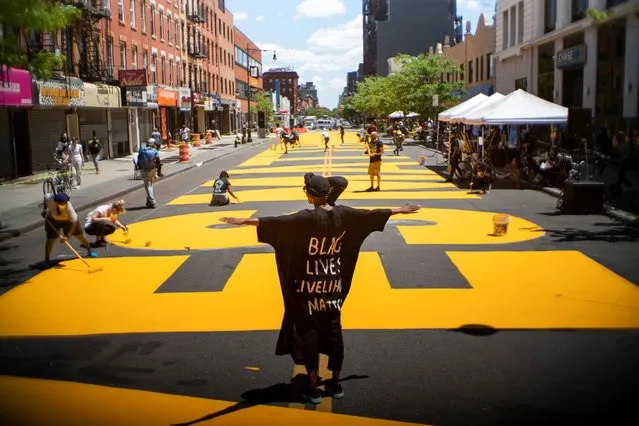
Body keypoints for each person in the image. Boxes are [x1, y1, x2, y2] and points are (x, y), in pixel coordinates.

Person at [220, 173, 420, 404]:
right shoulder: (343, 213)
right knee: (335, 332)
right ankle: (335, 383)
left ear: (310, 194)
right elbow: (370, 214)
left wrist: (243, 221)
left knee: (309, 333)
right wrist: (398, 210)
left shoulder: (306, 218)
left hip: (309, 289)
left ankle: (313, 387)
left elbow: (275, 222)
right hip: (333, 286)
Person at [42, 192, 97, 264]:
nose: (64, 204)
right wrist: (44, 210)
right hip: (52, 220)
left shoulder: (69, 207)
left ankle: (89, 249)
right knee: (50, 239)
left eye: (65, 202)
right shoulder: (48, 198)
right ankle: (47, 259)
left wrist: (67, 236)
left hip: (68, 220)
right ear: (56, 201)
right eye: (62, 203)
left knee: (79, 235)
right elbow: (45, 203)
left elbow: (74, 222)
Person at [138, 140, 160, 208]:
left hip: (144, 169)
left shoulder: (142, 150)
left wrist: (139, 167)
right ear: (153, 144)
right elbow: (158, 160)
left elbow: (138, 159)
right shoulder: (155, 151)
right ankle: (149, 200)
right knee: (150, 184)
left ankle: (151, 200)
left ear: (147, 144)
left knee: (147, 185)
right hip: (152, 169)